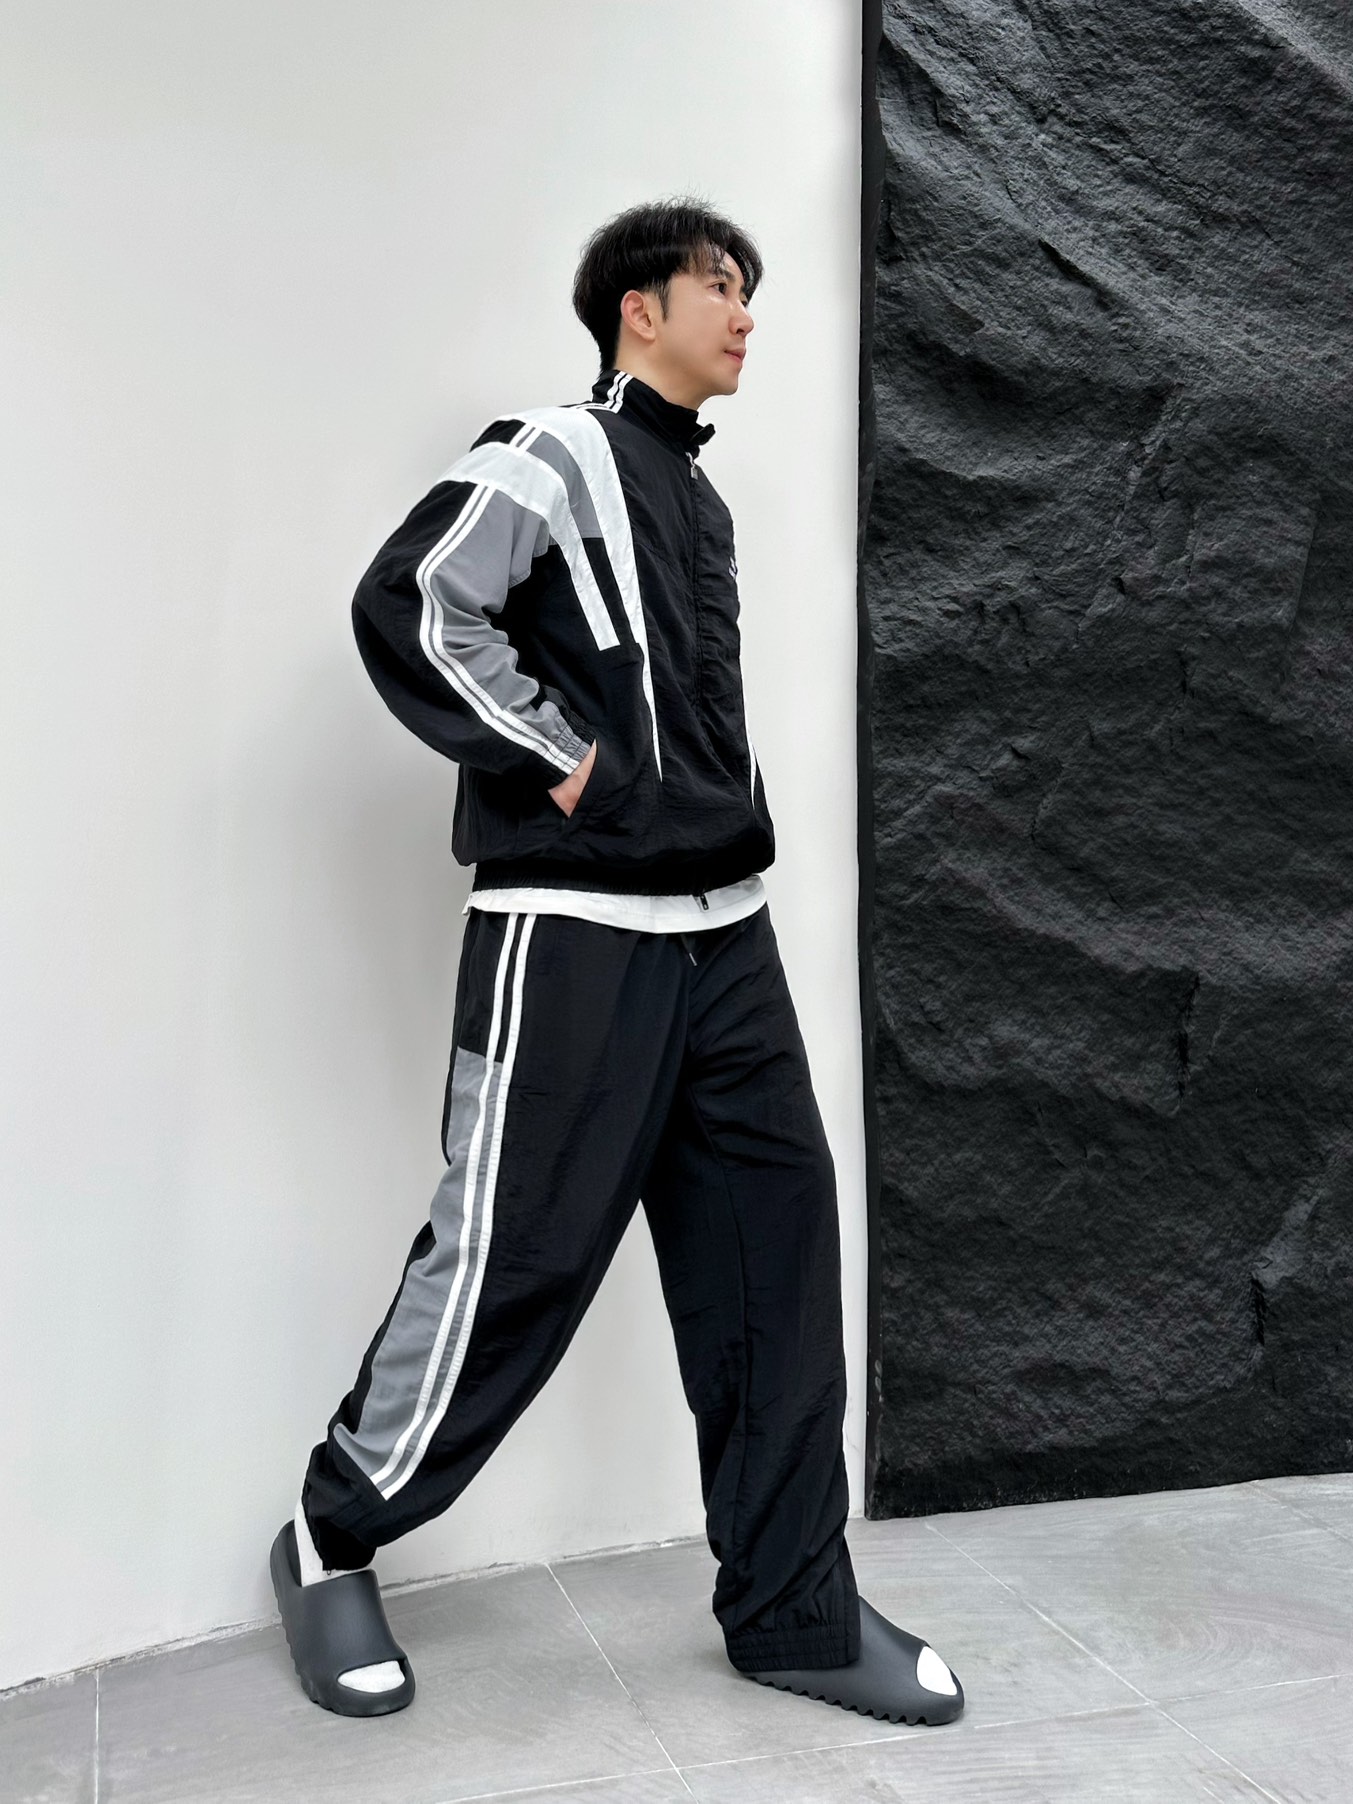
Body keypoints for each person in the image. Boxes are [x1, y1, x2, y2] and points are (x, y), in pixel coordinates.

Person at [269, 197, 964, 1728]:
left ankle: (791, 1611)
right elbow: (412, 600)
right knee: (511, 1262)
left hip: (727, 936)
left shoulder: (697, 498)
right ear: (636, 307)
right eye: (721, 285)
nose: (746, 312)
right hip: (574, 936)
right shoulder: (554, 448)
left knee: (775, 1261)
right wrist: (559, 760)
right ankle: (331, 1534)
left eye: (750, 290)